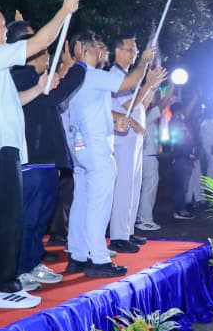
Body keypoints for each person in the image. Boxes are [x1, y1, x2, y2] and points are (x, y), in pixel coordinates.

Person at [0, 0, 78, 308]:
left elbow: (13, 101)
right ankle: (4, 286)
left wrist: (39, 88)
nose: (5, 30)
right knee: (6, 219)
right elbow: (40, 41)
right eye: (1, 24)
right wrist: (64, 11)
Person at [63, 30, 155, 276]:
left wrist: (115, 122)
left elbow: (92, 110)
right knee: (99, 203)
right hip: (96, 147)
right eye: (97, 47)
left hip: (80, 145)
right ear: (84, 49)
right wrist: (144, 61)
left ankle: (78, 254)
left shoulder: (74, 76)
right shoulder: (91, 74)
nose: (101, 51)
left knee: (82, 201)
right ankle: (99, 259)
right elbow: (128, 83)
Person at [8, 19, 86, 289]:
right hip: (33, 157)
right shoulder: (21, 76)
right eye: (43, 52)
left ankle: (32, 262)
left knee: (40, 218)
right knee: (29, 218)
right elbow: (54, 96)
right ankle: (20, 268)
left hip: (45, 158)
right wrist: (80, 67)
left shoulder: (31, 76)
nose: (48, 57)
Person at [107, 34, 166, 254]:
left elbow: (142, 104)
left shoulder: (129, 77)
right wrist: (146, 84)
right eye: (130, 50)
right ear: (118, 51)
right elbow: (129, 105)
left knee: (134, 185)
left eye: (135, 50)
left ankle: (128, 230)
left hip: (135, 138)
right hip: (122, 138)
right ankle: (118, 236)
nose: (134, 54)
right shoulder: (115, 76)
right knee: (123, 186)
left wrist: (152, 86)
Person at [136, 89, 166, 232]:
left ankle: (140, 218)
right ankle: (145, 220)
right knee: (149, 188)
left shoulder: (143, 113)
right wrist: (171, 87)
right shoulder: (146, 114)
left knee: (143, 188)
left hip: (145, 155)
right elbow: (162, 104)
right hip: (148, 156)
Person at [166, 101, 196, 220]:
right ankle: (179, 210)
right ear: (179, 110)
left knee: (182, 185)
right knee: (180, 185)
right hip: (181, 157)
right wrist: (187, 154)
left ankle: (180, 208)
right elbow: (181, 142)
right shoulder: (175, 123)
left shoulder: (176, 122)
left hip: (182, 156)